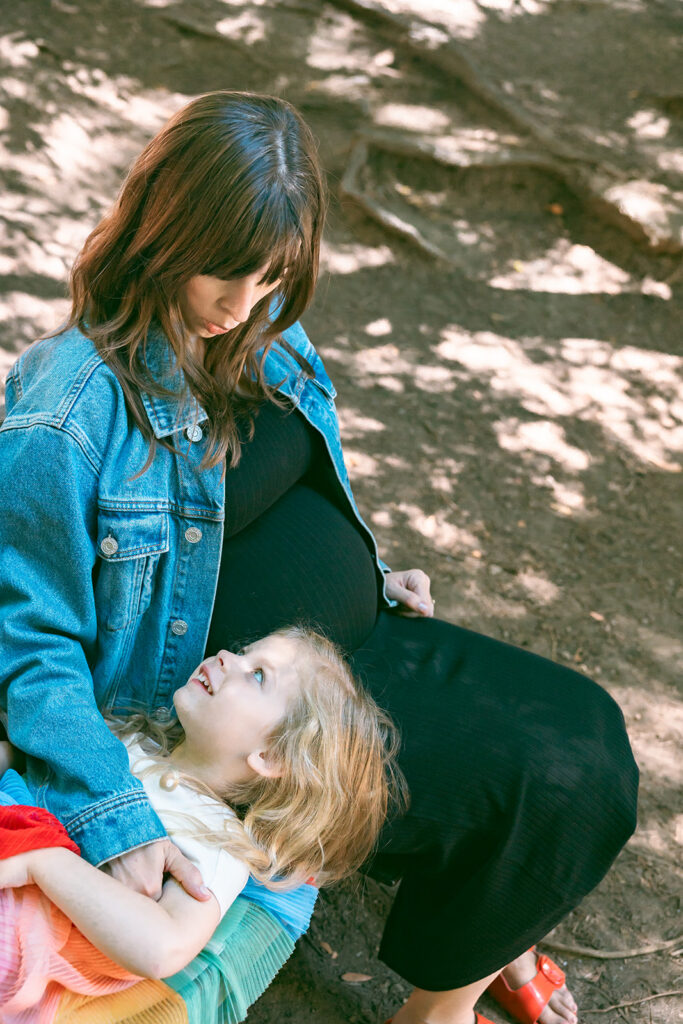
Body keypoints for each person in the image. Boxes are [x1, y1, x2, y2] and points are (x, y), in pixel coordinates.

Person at [0, 91, 638, 1024]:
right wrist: (111, 817)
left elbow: (261, 501)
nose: (243, 304)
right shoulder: (64, 410)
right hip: (230, 722)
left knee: (584, 741)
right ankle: (458, 987)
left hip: (330, 656)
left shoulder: (266, 331)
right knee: (547, 780)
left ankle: (467, 958)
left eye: (273, 276)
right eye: (225, 271)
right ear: (160, 227)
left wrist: (362, 569)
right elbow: (31, 640)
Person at [0, 626, 402, 986]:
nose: (228, 656)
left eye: (258, 675)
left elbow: (161, 948)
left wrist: (43, 861)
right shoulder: (132, 746)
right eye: (245, 650)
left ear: (272, 756)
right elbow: (34, 775)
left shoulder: (217, 843)